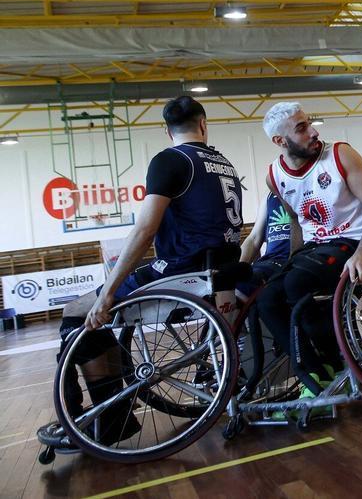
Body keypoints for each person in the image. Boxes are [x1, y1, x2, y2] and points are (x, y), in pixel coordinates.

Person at [66, 97, 246, 446]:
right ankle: (113, 402)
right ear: (204, 124)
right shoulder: (223, 162)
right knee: (92, 313)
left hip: (184, 272)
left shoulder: (169, 160)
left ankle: (97, 420)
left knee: (75, 314)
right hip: (223, 267)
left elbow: (145, 230)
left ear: (166, 131)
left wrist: (106, 294)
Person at [256, 102, 362, 391]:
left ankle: (336, 358)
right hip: (317, 249)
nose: (313, 132)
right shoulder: (274, 177)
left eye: (309, 123)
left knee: (298, 282)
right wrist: (290, 258)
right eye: (302, 128)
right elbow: (295, 221)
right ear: (280, 141)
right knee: (267, 298)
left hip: (358, 241)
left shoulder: (341, 154)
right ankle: (317, 372)